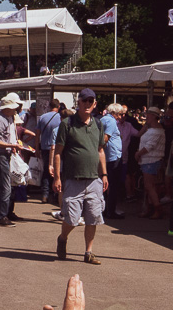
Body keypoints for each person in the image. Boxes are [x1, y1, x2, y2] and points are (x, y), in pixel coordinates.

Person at [53, 88, 109, 265]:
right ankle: (62, 238)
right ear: (78, 103)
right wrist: (57, 177)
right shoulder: (68, 124)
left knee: (93, 216)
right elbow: (58, 152)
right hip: (73, 179)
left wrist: (104, 174)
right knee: (72, 218)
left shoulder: (98, 125)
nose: (87, 104)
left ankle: (88, 252)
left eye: (90, 101)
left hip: (94, 179)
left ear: (95, 104)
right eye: (84, 101)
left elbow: (100, 150)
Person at [0, 91, 26, 228]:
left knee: (5, 185)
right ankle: (1, 215)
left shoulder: (5, 118)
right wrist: (11, 145)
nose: (15, 109)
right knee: (5, 186)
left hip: (4, 153)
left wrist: (11, 146)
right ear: (7, 108)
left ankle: (1, 214)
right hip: (0, 154)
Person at [136, 107, 167, 218]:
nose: (146, 117)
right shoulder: (152, 129)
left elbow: (149, 146)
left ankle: (157, 209)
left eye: (148, 115)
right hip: (148, 160)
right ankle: (151, 209)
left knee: (149, 186)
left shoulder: (157, 131)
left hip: (152, 160)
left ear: (154, 116)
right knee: (149, 186)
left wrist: (138, 154)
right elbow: (139, 135)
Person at [34, 99, 63, 204]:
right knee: (57, 171)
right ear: (58, 106)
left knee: (46, 172)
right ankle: (56, 194)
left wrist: (37, 148)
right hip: (58, 148)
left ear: (49, 106)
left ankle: (45, 195)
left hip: (45, 148)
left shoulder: (43, 117)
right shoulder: (60, 118)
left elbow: (37, 134)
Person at [99, 104, 123, 219]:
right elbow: (105, 138)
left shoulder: (102, 119)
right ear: (114, 113)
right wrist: (100, 150)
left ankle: (104, 209)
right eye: (119, 114)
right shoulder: (111, 121)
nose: (120, 117)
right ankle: (110, 211)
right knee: (112, 185)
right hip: (113, 156)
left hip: (108, 156)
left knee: (105, 184)